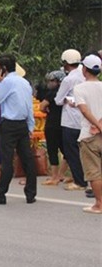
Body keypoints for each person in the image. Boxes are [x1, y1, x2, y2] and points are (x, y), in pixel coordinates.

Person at [0, 54, 36, 205]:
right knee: (27, 159)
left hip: (9, 124)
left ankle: (0, 194)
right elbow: (29, 105)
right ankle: (31, 193)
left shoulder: (6, 82)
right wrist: (30, 125)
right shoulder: (24, 82)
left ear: (3, 69)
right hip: (22, 124)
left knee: (7, 160)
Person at [55, 49, 87, 191]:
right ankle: (83, 177)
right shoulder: (84, 75)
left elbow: (58, 100)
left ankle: (79, 181)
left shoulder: (68, 79)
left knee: (71, 151)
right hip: (85, 119)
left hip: (70, 121)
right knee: (83, 151)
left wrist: (67, 100)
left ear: (66, 63)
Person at [73, 54, 102, 213]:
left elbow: (84, 110)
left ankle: (99, 204)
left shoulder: (80, 88)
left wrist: (97, 125)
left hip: (88, 134)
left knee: (94, 171)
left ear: (84, 69)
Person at [39, 70, 67, 185]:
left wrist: (47, 109)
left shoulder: (52, 94)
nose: (49, 83)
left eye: (51, 81)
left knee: (52, 150)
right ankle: (61, 174)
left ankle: (54, 176)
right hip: (64, 124)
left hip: (52, 124)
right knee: (66, 150)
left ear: (58, 81)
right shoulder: (67, 92)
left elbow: (42, 106)